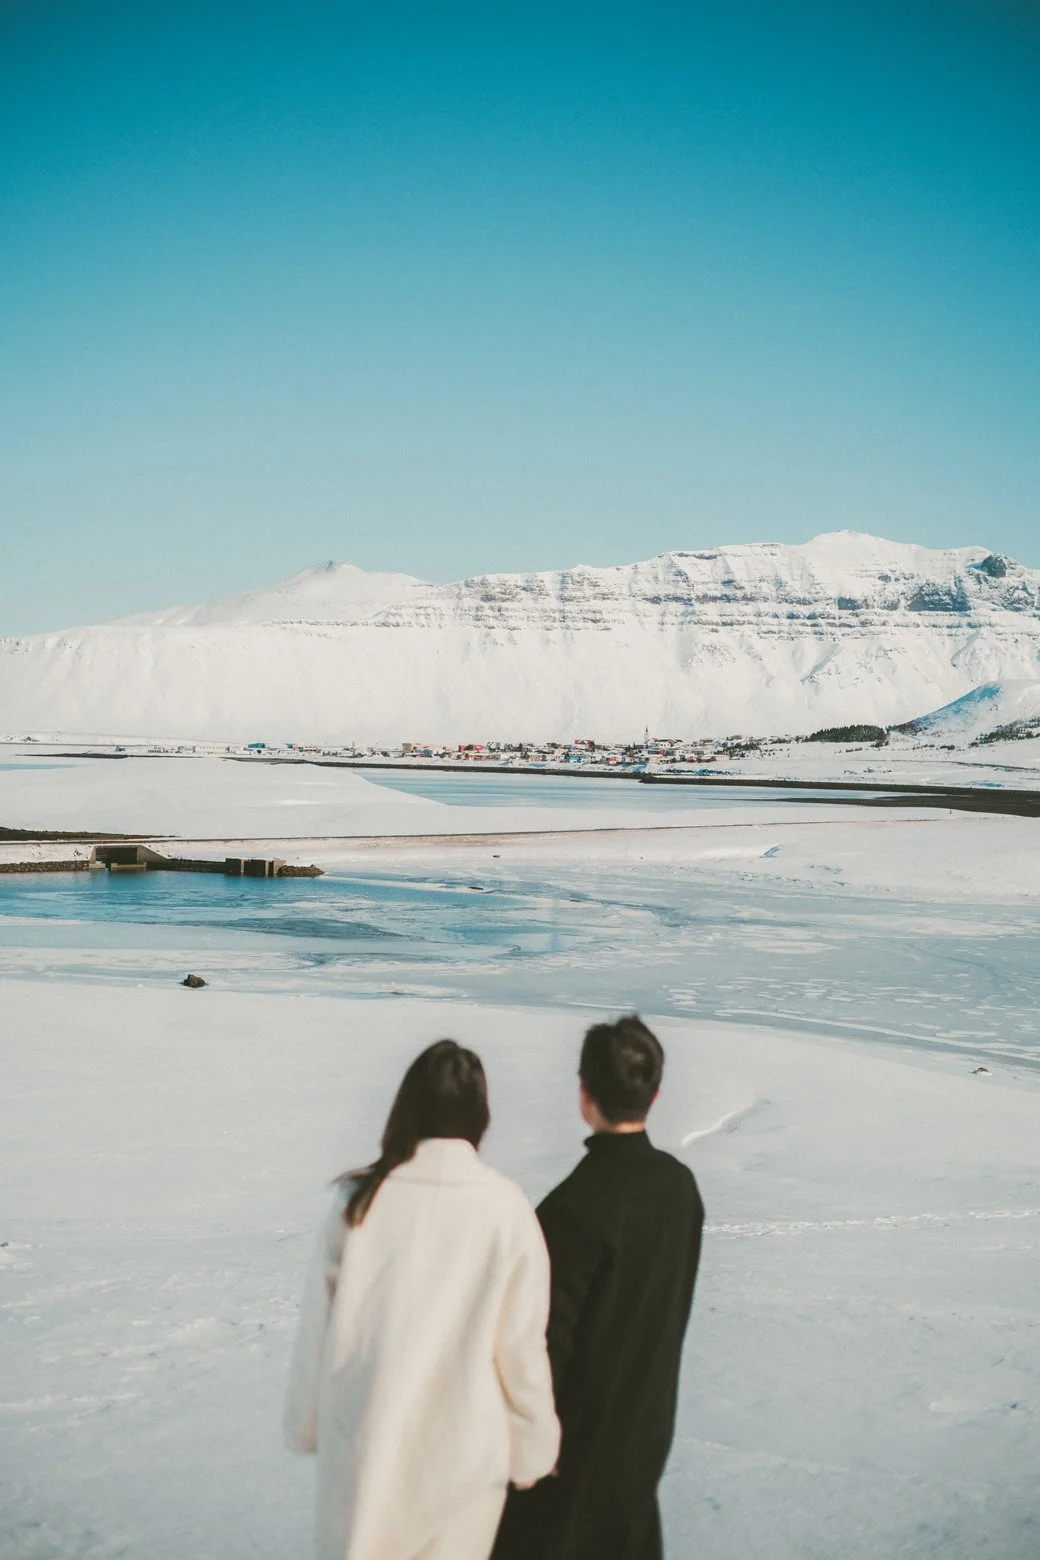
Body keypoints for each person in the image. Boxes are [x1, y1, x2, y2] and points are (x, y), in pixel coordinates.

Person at [284, 1040, 560, 1560]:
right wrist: (533, 1446)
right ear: (481, 1114)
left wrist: (306, 1423)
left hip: (366, 1441)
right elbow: (521, 1348)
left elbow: (317, 1330)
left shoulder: (359, 1202)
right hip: (466, 1453)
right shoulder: (506, 1208)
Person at [492, 1015, 705, 1560]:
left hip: (567, 1465)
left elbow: (541, 1351)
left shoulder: (569, 1212)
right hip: (643, 1444)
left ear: (584, 1094)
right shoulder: (679, 1191)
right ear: (655, 1093)